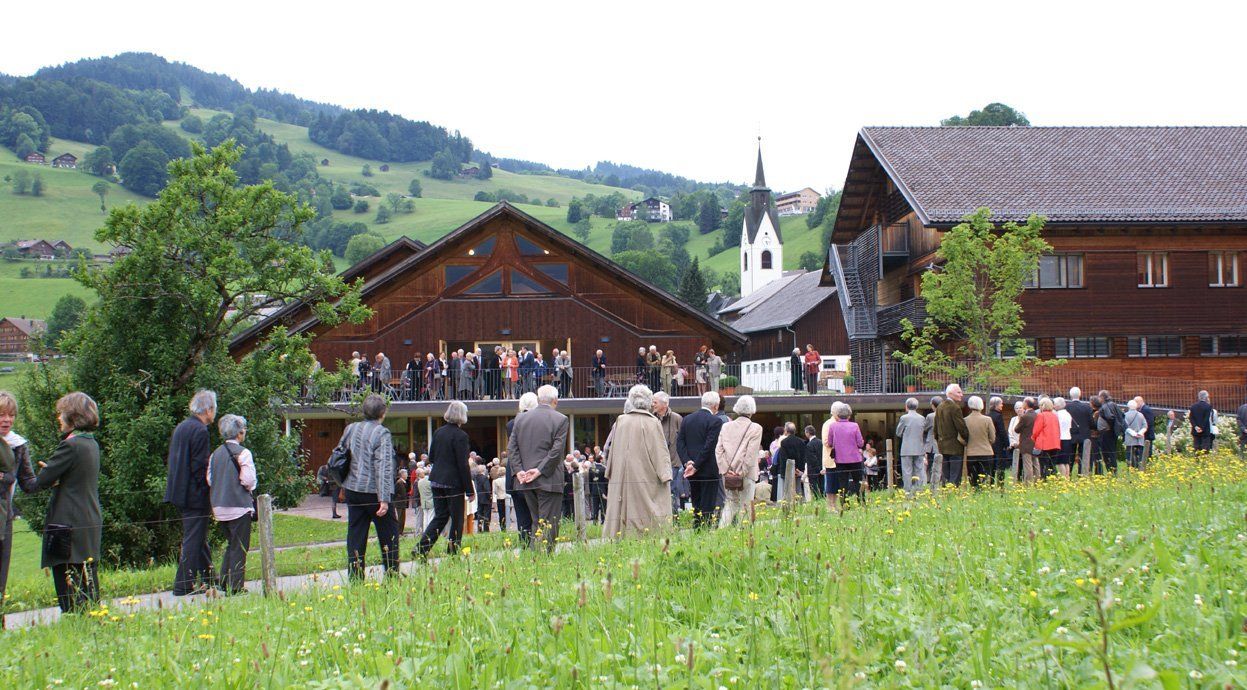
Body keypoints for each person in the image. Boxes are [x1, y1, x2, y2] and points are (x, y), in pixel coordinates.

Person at [27, 392, 102, 612]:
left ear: (73, 416)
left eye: (61, 413)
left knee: (69, 585)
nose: (59, 418)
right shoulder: (91, 443)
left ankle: (76, 621)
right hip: (88, 518)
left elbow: (41, 481)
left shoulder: (71, 445)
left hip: (67, 524)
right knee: (88, 582)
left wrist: (49, 473)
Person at [339, 394, 399, 580]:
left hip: (352, 489)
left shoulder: (350, 428)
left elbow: (340, 455)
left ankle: (355, 578)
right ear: (383, 412)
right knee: (389, 534)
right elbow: (383, 466)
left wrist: (341, 482)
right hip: (374, 492)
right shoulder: (382, 433)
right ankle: (391, 575)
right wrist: (384, 499)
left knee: (355, 534)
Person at [165, 389, 218, 597]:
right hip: (194, 493)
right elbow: (200, 467)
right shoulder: (200, 431)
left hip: (179, 490)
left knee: (198, 536)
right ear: (208, 409)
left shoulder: (182, 427)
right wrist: (207, 491)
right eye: (214, 408)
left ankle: (210, 578)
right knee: (193, 538)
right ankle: (183, 584)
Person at [601, 386, 672, 537]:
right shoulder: (652, 422)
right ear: (649, 402)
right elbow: (660, 452)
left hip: (621, 475)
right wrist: (665, 474)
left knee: (621, 510)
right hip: (644, 476)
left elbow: (611, 451)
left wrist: (610, 471)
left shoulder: (621, 421)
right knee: (645, 510)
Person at [509, 385, 570, 552]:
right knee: (550, 523)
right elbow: (556, 451)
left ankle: (535, 557)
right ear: (555, 401)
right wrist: (539, 470)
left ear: (538, 399)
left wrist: (519, 470)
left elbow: (512, 448)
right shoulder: (560, 419)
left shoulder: (521, 418)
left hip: (526, 480)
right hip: (549, 479)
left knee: (536, 522)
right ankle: (544, 559)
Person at [206, 414, 256, 595]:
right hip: (239, 505)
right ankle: (235, 586)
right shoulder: (243, 453)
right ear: (239, 433)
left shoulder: (215, 454)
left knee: (231, 543)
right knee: (240, 546)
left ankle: (224, 581)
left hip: (219, 506)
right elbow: (249, 480)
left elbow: (210, 479)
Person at [415, 401, 472, 555]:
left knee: (440, 517)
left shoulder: (438, 432)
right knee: (457, 519)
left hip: (436, 480)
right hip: (453, 483)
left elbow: (432, 457)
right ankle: (452, 551)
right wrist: (470, 490)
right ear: (462, 415)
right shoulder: (461, 436)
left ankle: (421, 549)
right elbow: (463, 465)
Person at [0, 391, 37, 603]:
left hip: (5, 517)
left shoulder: (18, 445)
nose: (7, 420)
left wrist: (53, 476)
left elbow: (28, 482)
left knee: (1, 574)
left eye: (11, 415)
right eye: (1, 415)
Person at [677, 391, 725, 528]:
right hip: (709, 470)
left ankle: (697, 529)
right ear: (716, 406)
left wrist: (688, 462)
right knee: (708, 506)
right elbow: (709, 446)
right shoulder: (716, 421)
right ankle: (705, 531)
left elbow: (680, 443)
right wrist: (696, 465)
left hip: (691, 470)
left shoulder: (687, 419)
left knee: (696, 504)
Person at [716, 395, 763, 528]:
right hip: (746, 474)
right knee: (746, 505)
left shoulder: (726, 426)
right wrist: (741, 472)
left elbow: (718, 450)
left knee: (730, 503)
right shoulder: (756, 428)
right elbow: (750, 454)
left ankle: (722, 531)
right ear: (752, 410)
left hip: (728, 474)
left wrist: (725, 470)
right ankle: (744, 534)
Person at [506, 393, 539, 546]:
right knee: (536, 516)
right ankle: (535, 547)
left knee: (522, 518)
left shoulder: (511, 424)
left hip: (514, 474)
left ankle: (525, 546)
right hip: (531, 473)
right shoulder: (536, 423)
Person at [825, 403, 865, 509]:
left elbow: (829, 442)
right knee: (858, 481)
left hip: (840, 459)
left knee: (843, 483)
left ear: (838, 415)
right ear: (849, 415)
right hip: (855, 459)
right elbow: (860, 443)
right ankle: (861, 501)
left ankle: (845, 505)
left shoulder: (833, 426)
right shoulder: (854, 426)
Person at [651, 392, 685, 515]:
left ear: (664, 404)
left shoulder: (677, 418)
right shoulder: (651, 419)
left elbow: (683, 439)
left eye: (655, 402)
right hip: (654, 463)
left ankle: (673, 519)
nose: (652, 404)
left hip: (673, 463)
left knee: (672, 492)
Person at [934, 385, 969, 487]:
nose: (961, 395)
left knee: (945, 475)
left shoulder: (939, 407)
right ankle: (953, 493)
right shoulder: (955, 408)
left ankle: (945, 492)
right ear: (950, 393)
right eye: (958, 392)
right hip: (955, 447)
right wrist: (966, 438)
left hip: (942, 446)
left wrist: (938, 440)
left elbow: (935, 428)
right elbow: (961, 427)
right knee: (955, 475)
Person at [895, 397, 928, 495]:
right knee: (919, 470)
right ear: (917, 407)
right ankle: (919, 490)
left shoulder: (904, 418)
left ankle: (908, 491)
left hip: (906, 448)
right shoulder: (922, 418)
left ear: (906, 406)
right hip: (919, 448)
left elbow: (898, 433)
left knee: (907, 471)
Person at [1031, 398, 1062, 481]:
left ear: (1042, 406)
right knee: (1052, 465)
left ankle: (1045, 481)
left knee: (1044, 465)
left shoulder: (1041, 415)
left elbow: (1036, 430)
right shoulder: (1054, 416)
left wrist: (1033, 439)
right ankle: (1053, 480)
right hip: (1055, 444)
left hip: (1044, 444)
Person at [1066, 387, 1094, 473]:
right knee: (1084, 456)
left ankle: (1068, 473)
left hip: (1071, 434)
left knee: (1070, 456)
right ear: (1080, 395)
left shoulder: (1066, 407)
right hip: (1084, 434)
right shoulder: (1087, 407)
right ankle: (1082, 474)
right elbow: (1091, 422)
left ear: (1070, 395)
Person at [778, 421, 806, 500]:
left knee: (787, 491)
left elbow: (783, 458)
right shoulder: (801, 442)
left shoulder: (783, 442)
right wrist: (800, 469)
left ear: (786, 430)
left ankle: (788, 504)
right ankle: (799, 504)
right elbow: (803, 457)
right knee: (798, 490)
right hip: (798, 470)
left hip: (787, 470)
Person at [1016, 398, 1039, 482]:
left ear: (1026, 404)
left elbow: (1017, 429)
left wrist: (1020, 418)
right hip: (1035, 442)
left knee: (1027, 465)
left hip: (1026, 443)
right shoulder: (1037, 415)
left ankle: (1028, 483)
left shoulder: (1025, 416)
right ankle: (1037, 482)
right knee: (1036, 464)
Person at [988, 397, 1009, 484]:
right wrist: (1007, 443)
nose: (1002, 405)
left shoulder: (988, 415)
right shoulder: (998, 416)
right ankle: (1000, 483)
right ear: (996, 405)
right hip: (999, 443)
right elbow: (1002, 431)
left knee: (991, 464)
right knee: (1000, 465)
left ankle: (991, 483)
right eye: (1001, 403)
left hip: (990, 443)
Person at [1054, 397, 1076, 478]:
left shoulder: (1057, 415)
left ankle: (1063, 477)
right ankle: (1067, 477)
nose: (1053, 406)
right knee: (1066, 461)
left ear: (1058, 405)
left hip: (1060, 438)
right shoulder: (1067, 414)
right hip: (1068, 438)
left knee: (1060, 461)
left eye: (1054, 404)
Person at [1123, 400, 1148, 468]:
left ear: (1128, 406)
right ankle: (1139, 468)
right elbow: (1145, 426)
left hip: (1130, 439)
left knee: (1130, 456)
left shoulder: (1125, 415)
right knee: (1139, 456)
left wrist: (1133, 434)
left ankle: (1131, 468)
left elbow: (1125, 426)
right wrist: (1140, 433)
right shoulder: (1141, 415)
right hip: (1140, 439)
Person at [924, 396, 943, 486]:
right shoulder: (946, 414)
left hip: (932, 444)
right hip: (943, 443)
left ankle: (931, 482)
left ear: (933, 405)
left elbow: (925, 428)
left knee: (931, 464)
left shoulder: (930, 416)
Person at [802, 425, 825, 500]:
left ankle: (818, 499)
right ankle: (823, 498)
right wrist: (822, 467)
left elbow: (811, 459)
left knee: (814, 486)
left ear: (808, 433)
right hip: (821, 467)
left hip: (813, 469)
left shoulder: (809, 445)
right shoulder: (821, 442)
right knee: (822, 485)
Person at [586, 453, 606, 523]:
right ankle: (603, 520)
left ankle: (595, 520)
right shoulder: (604, 469)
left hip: (594, 490)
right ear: (601, 460)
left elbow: (590, 481)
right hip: (603, 490)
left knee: (595, 506)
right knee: (603, 506)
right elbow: (606, 481)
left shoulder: (591, 469)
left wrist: (591, 490)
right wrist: (606, 492)